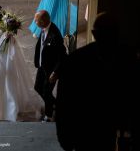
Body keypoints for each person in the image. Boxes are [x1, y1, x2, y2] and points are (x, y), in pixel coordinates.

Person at [56, 12, 138, 151]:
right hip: (85, 129)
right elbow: (64, 102)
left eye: (113, 32)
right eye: (106, 32)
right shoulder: (76, 62)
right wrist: (66, 141)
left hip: (113, 128)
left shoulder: (128, 56)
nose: (110, 37)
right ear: (95, 33)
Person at [33, 10, 66, 122]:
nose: (34, 21)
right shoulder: (43, 28)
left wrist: (55, 72)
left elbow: (62, 55)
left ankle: (49, 116)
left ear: (42, 23)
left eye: (36, 20)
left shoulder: (55, 35)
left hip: (51, 69)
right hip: (42, 66)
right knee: (38, 87)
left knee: (46, 92)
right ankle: (54, 104)